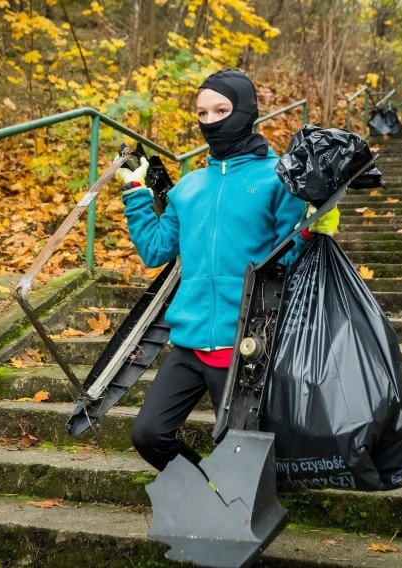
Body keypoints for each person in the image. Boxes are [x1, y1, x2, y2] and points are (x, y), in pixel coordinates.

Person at [114, 69, 339, 471]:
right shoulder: (189, 186)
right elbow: (154, 250)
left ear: (247, 111)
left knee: (242, 452)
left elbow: (282, 262)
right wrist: (136, 194)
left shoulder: (278, 179)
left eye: (221, 110)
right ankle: (207, 491)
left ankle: (241, 510)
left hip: (246, 342)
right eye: (202, 114)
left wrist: (307, 233)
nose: (211, 122)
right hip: (189, 341)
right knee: (148, 434)